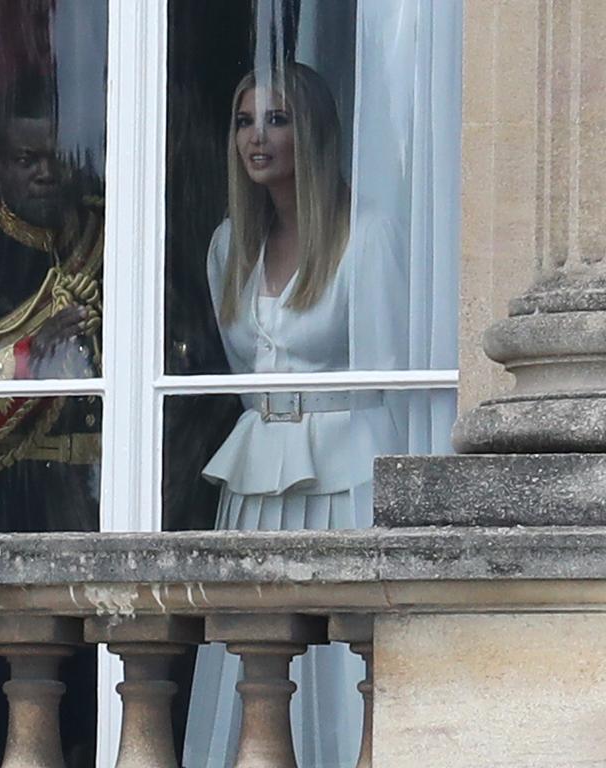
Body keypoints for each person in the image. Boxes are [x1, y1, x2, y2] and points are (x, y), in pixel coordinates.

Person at [183, 64, 404, 768]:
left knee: (342, 663)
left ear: (313, 132)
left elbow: (393, 376)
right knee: (256, 653)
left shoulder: (366, 234)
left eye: (276, 119)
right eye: (244, 120)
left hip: (346, 477)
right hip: (256, 481)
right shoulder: (228, 244)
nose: (256, 136)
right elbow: (245, 375)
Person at [0, 81, 102, 768]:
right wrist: (38, 345)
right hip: (13, 500)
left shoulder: (110, 235)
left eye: (55, 155)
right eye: (26, 158)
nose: (44, 170)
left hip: (102, 495)